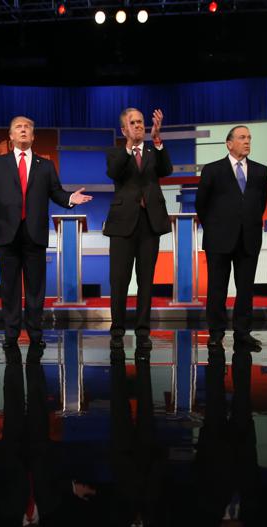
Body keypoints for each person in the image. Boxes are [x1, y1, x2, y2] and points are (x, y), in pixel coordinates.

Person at [0, 116, 92, 349]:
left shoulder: (45, 165)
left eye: (28, 127)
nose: (24, 130)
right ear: (10, 136)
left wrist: (70, 199)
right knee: (9, 287)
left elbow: (56, 192)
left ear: (34, 135)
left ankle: (36, 334)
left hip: (35, 232)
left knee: (36, 288)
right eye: (18, 127)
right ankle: (11, 334)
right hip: (8, 233)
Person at [103, 108, 173, 351]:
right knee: (119, 281)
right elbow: (114, 172)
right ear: (124, 129)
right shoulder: (115, 152)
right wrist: (129, 146)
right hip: (123, 224)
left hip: (150, 222)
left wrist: (157, 139)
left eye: (141, 122)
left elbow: (167, 171)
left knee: (146, 280)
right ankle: (117, 330)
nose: (138, 126)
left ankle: (143, 331)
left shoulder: (154, 150)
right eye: (132, 123)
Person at [195, 125, 267, 351]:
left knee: (246, 288)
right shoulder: (212, 170)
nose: (247, 141)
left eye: (249, 137)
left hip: (249, 238)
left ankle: (243, 332)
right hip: (219, 239)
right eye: (242, 137)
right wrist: (216, 228)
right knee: (217, 288)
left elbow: (261, 203)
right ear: (229, 143)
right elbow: (202, 204)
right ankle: (216, 333)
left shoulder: (260, 170)